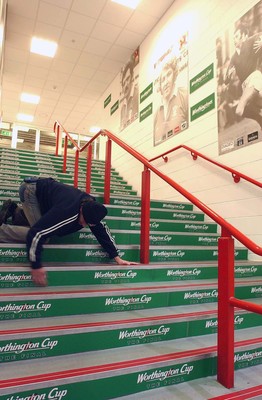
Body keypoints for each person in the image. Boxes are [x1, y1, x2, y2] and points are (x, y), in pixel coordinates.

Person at [0, 177, 137, 286]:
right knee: (44, 234)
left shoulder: (91, 208)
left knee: (45, 225)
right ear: (81, 210)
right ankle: (3, 230)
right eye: (83, 221)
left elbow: (101, 231)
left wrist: (117, 257)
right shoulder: (68, 212)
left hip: (46, 195)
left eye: (87, 224)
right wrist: (36, 265)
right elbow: (36, 234)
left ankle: (14, 211)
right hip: (30, 191)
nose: (83, 225)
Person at [225, 25, 262, 125]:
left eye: (237, 36)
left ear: (244, 36)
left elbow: (259, 35)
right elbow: (226, 79)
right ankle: (260, 120)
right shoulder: (234, 57)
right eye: (233, 37)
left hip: (255, 78)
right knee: (242, 110)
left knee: (239, 110)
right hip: (245, 86)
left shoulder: (250, 42)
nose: (234, 39)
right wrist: (228, 76)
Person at [154, 57, 188, 145]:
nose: (166, 83)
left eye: (169, 75)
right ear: (160, 86)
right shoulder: (157, 113)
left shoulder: (184, 95)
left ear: (174, 76)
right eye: (163, 79)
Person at [120, 60, 139, 130]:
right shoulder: (122, 108)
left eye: (127, 79)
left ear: (132, 77)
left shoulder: (138, 95)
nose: (125, 85)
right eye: (124, 83)